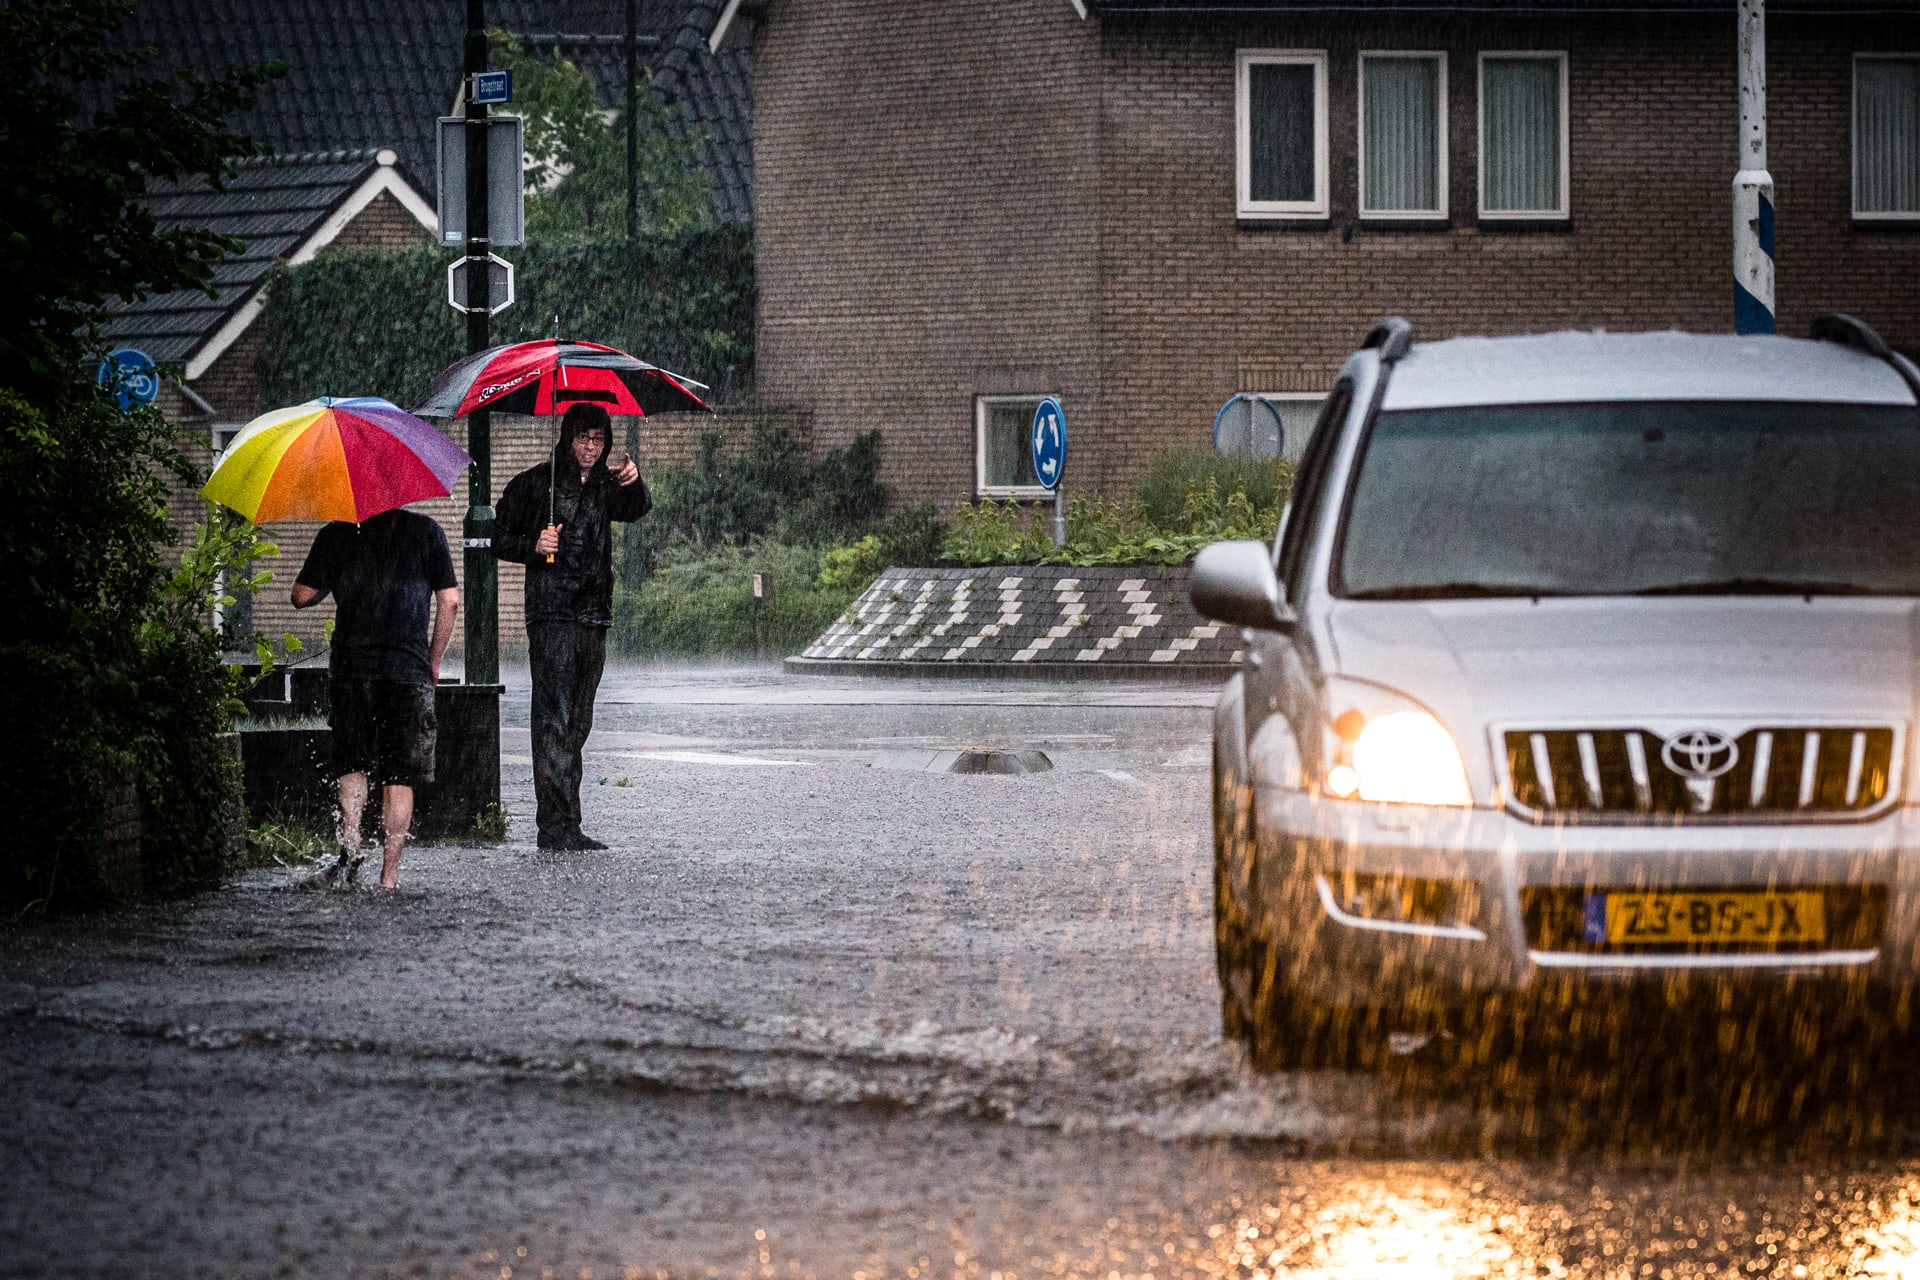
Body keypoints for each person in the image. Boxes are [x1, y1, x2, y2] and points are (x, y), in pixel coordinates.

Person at [493, 402, 650, 850]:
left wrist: (634, 480)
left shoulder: (606, 484)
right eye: (583, 438)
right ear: (568, 438)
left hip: (593, 614)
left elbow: (636, 509)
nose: (590, 448)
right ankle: (556, 826)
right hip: (552, 614)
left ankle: (566, 822)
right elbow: (497, 536)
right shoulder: (535, 485)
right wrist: (534, 545)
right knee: (553, 721)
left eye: (598, 440)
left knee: (577, 721)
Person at [291, 506, 459, 889]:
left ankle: (350, 849)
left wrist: (335, 579)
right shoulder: (427, 531)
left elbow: (300, 595)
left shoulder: (335, 534)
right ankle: (389, 877)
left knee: (352, 762)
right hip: (407, 671)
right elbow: (450, 602)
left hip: (352, 670)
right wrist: (433, 660)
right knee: (399, 773)